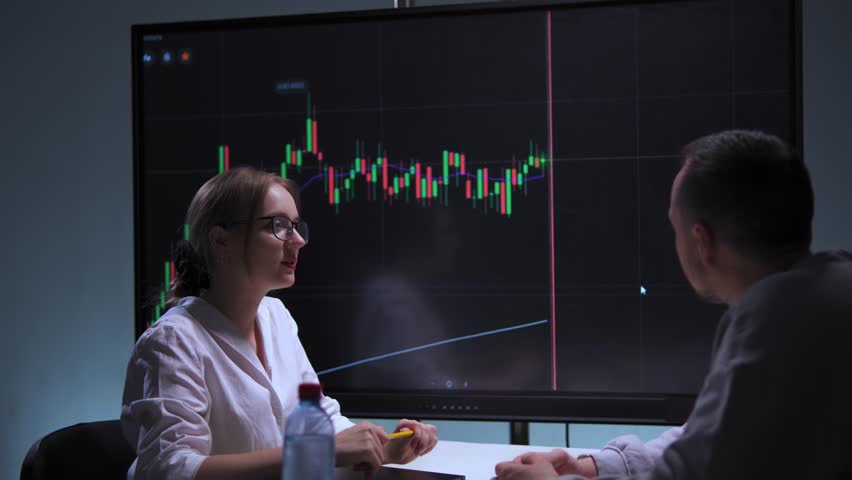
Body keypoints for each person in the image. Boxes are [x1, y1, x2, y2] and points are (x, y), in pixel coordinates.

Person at [495, 129, 852, 479]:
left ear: (702, 242)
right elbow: (706, 439)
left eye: (674, 227)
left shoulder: (769, 323)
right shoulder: (830, 287)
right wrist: (596, 466)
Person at [121, 166, 438, 480]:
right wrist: (318, 450)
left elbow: (322, 421)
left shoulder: (276, 317)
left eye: (297, 226)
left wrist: (383, 447)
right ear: (221, 240)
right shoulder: (173, 341)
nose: (298, 240)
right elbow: (167, 470)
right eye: (279, 225)